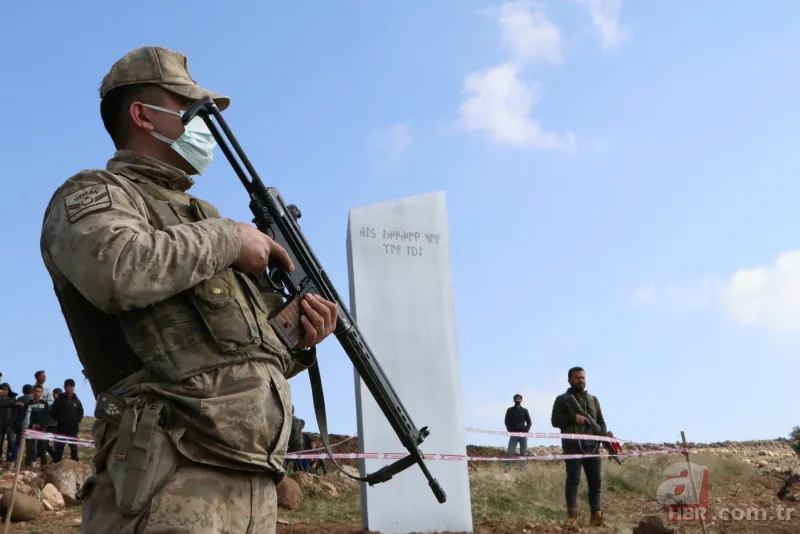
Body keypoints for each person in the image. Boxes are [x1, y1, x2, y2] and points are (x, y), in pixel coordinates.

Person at [39, 45, 338, 534]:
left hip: (250, 488)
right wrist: (228, 238)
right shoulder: (95, 194)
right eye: (192, 111)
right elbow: (115, 270)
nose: (205, 128)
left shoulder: (201, 220)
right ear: (142, 115)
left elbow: (233, 355)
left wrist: (297, 336)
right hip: (165, 481)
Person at [550, 367, 607, 527]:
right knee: (573, 480)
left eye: (583, 378)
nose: (581, 381)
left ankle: (596, 516)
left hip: (592, 447)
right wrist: (573, 418)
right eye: (577, 378)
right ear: (569, 380)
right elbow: (555, 421)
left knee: (596, 481)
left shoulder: (593, 400)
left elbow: (601, 421)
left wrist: (605, 437)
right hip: (573, 446)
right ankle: (572, 517)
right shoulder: (562, 399)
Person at [51, 379, 84, 462]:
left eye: (72, 386)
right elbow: (52, 412)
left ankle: (75, 463)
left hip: (73, 428)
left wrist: (77, 420)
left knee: (73, 447)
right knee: (60, 446)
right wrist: (61, 419)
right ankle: (57, 463)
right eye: (69, 386)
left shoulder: (76, 400)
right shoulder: (59, 399)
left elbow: (81, 411)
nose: (70, 388)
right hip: (61, 428)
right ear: (65, 387)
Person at [24, 385, 51, 468]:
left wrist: (41, 424)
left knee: (42, 447)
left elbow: (47, 416)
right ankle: (28, 464)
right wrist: (32, 425)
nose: (37, 393)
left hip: (42, 428)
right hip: (31, 428)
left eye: (39, 391)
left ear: (42, 393)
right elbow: (25, 416)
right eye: (35, 391)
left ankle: (43, 464)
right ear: (33, 392)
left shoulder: (45, 404)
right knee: (30, 447)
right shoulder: (28, 404)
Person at [504, 393, 531, 472]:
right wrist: (510, 430)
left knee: (523, 453)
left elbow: (529, 422)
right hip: (514, 434)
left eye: (519, 399)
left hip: (523, 435)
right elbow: (506, 422)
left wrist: (526, 430)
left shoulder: (525, 410)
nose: (517, 400)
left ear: (521, 400)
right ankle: (508, 469)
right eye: (516, 399)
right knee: (510, 452)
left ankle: (522, 469)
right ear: (514, 400)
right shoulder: (510, 410)